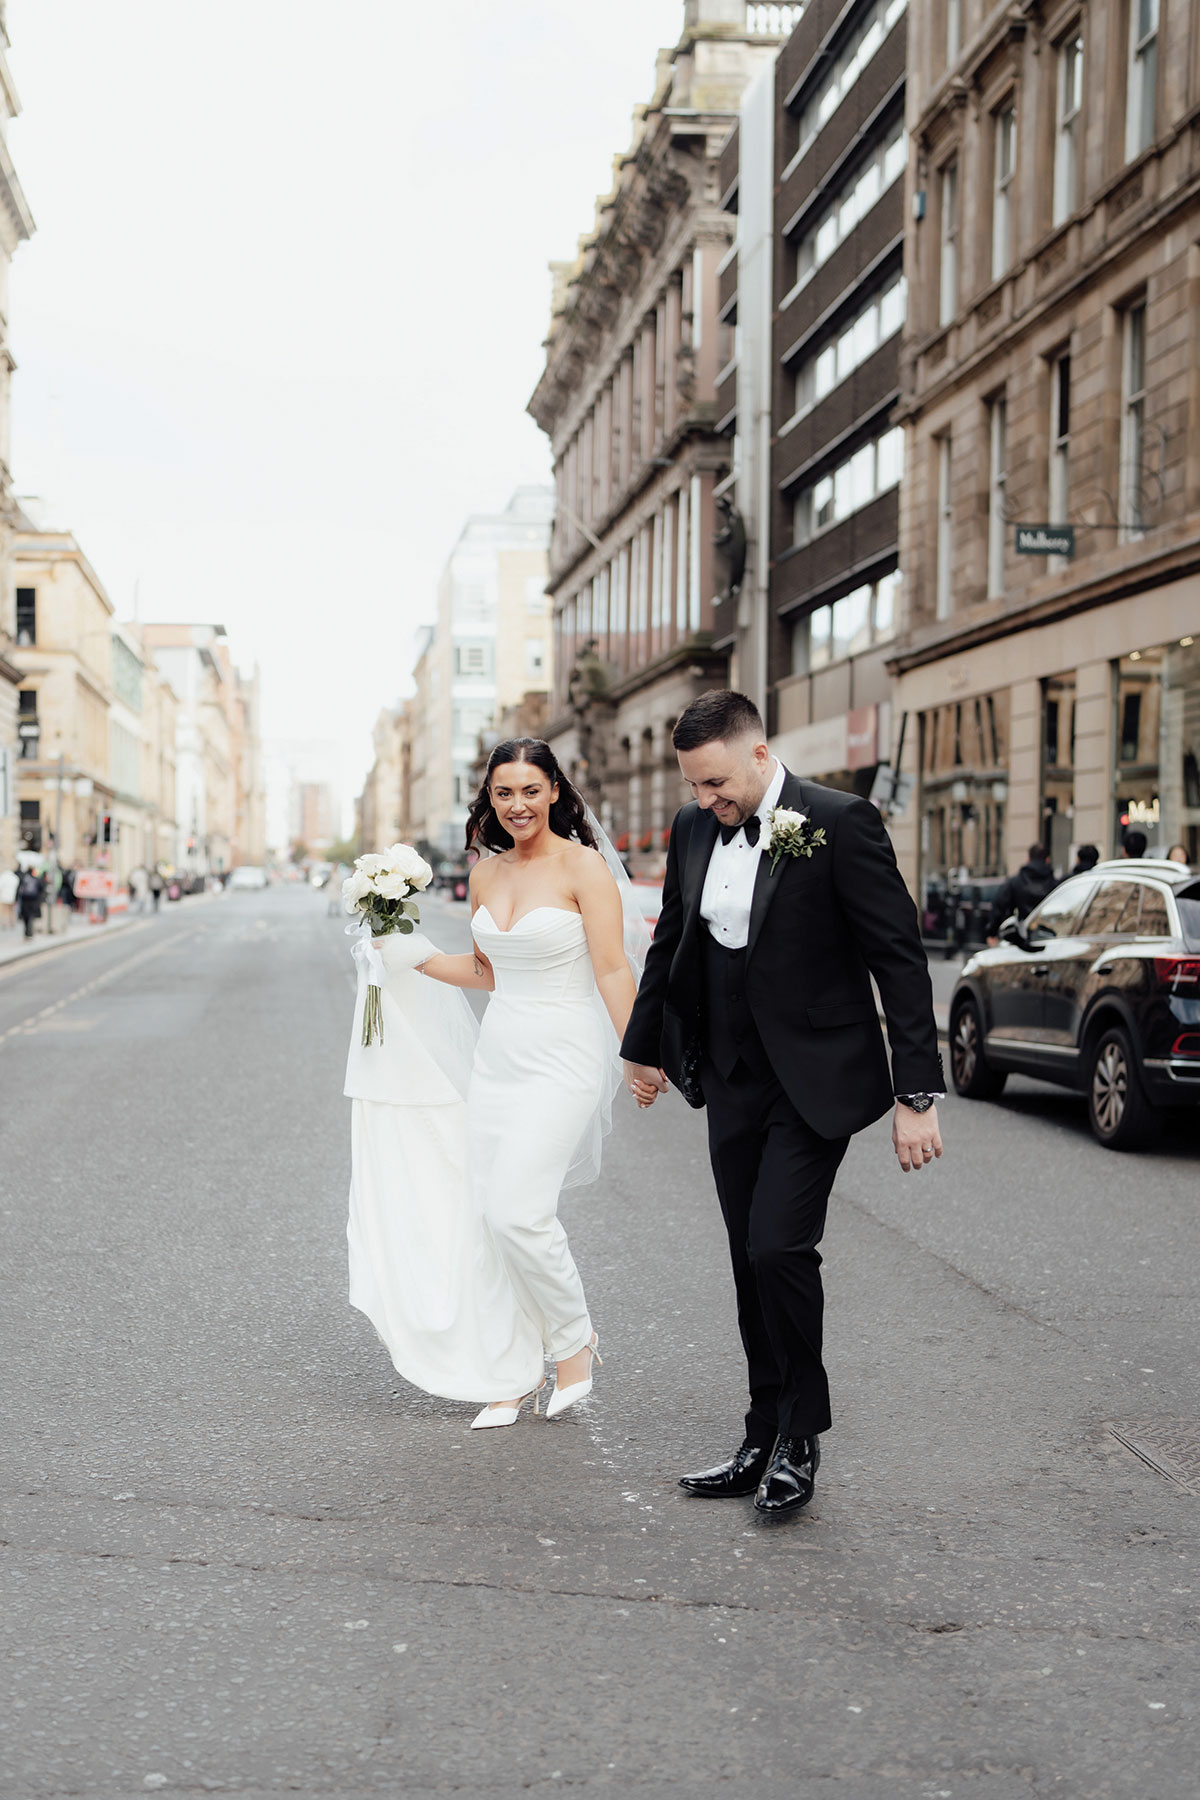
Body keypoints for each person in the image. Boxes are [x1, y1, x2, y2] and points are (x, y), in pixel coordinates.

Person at [620, 691, 944, 1522]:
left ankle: (800, 1435)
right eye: (693, 787)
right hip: (728, 1073)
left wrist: (917, 1094)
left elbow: (899, 960)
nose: (705, 802)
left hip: (814, 1075)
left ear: (761, 753)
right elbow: (672, 940)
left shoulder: (842, 821)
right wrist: (643, 1048)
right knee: (745, 1257)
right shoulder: (695, 830)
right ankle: (760, 1433)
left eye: (716, 783)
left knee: (778, 1248)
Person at [345, 738, 650, 1429]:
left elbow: (610, 970)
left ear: (555, 793)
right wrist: (410, 956)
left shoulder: (584, 868)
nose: (518, 805)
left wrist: (637, 1052)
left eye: (531, 791)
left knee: (519, 1211)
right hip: (501, 1056)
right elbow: (488, 972)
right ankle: (509, 1371)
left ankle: (574, 1344)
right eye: (504, 793)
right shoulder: (486, 873)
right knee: (489, 1217)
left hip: (565, 1055)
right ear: (489, 798)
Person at [985, 843, 1058, 943]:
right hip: (1051, 939)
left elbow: (999, 907)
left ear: (1028, 858)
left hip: (1021, 939)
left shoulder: (1015, 882)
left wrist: (992, 932)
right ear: (1048, 859)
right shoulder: (1056, 884)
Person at [16, 867, 44, 938]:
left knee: (25, 916)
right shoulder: (36, 879)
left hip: (25, 901)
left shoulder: (23, 879)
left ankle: (26, 931)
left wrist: (16, 899)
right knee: (31, 916)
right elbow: (41, 889)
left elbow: (19, 890)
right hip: (33, 901)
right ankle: (30, 932)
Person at [0, 865, 17, 931]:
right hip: (12, 897)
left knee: (4, 911)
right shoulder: (14, 877)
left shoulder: (3, 877)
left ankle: (4, 923)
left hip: (4, 897)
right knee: (11, 911)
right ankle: (12, 923)